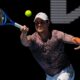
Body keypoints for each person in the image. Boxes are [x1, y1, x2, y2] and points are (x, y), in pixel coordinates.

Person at [20, 12, 80, 80]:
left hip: (65, 72)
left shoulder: (56, 34)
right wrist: (23, 33)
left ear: (48, 23)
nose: (39, 24)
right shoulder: (33, 39)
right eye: (36, 22)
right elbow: (24, 42)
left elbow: (72, 38)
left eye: (42, 22)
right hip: (50, 76)